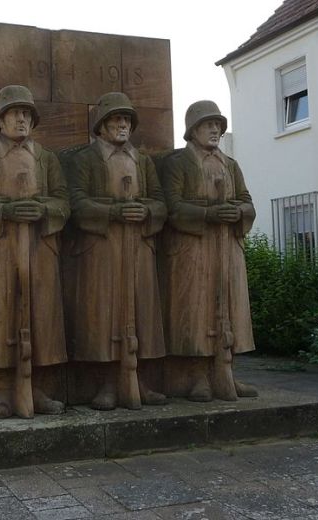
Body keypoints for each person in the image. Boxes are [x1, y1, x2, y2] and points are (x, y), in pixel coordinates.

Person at [0, 85, 70, 419]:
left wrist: (41, 210)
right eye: (14, 113)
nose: (21, 119)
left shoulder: (46, 158)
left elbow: (64, 200)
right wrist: (7, 210)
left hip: (39, 247)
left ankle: (36, 389)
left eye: (26, 114)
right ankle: (2, 391)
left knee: (41, 316)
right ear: (0, 120)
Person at [67, 91, 167, 410]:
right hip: (101, 249)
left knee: (142, 312)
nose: (123, 125)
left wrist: (147, 212)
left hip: (138, 247)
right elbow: (76, 202)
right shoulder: (85, 159)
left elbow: (160, 202)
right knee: (102, 316)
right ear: (101, 126)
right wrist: (111, 213)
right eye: (116, 119)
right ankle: (107, 383)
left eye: (127, 120)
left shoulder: (144, 161)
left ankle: (138, 380)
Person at [159, 100, 257, 401]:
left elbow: (247, 200)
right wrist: (208, 215)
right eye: (208, 124)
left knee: (231, 308)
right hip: (193, 250)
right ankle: (198, 376)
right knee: (196, 310)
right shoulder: (178, 163)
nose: (215, 130)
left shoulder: (231, 164)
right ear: (193, 130)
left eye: (218, 125)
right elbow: (172, 208)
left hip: (228, 248)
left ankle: (226, 372)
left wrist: (239, 213)